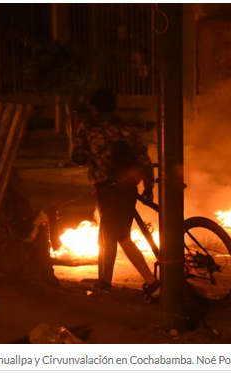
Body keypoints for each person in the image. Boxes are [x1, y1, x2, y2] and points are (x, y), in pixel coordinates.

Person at [71, 88, 160, 301]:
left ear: (93, 108)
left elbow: (78, 157)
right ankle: (105, 283)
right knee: (108, 234)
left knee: (120, 236)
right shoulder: (126, 127)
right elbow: (143, 159)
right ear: (115, 106)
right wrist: (148, 188)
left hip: (107, 188)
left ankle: (153, 283)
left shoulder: (89, 127)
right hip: (128, 187)